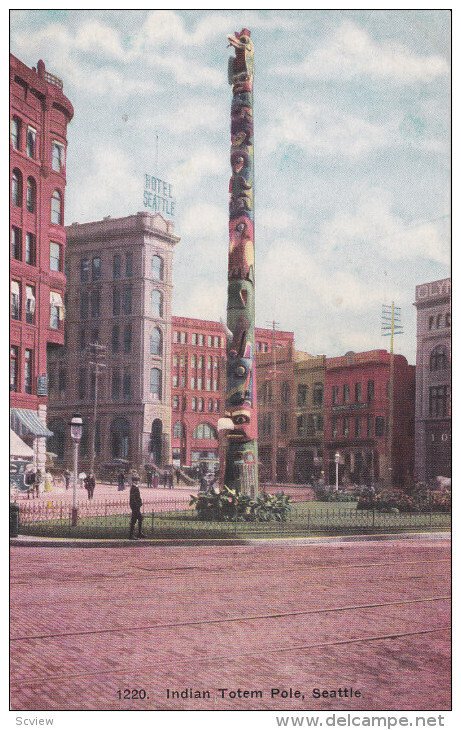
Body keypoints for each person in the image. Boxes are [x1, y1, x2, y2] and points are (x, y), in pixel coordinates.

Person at [129, 472, 145, 540]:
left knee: (140, 518)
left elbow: (138, 497)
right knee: (134, 520)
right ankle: (131, 535)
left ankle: (139, 533)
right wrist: (137, 504)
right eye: (137, 481)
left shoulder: (135, 487)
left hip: (136, 506)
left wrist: (140, 502)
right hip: (135, 506)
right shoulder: (133, 487)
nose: (138, 482)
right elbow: (133, 498)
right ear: (134, 481)